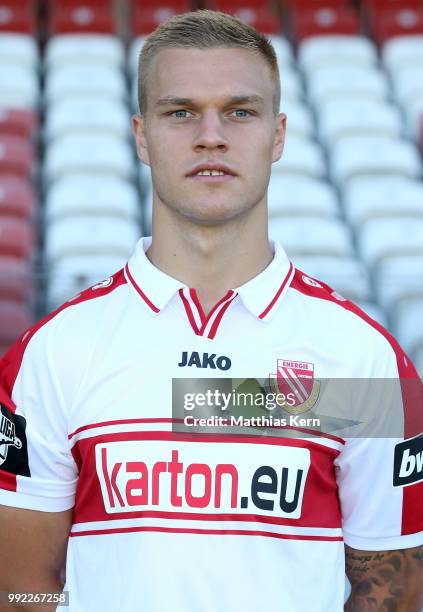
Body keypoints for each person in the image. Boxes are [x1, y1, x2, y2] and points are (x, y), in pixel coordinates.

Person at [0, 9, 422, 612]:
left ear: (278, 135)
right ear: (141, 135)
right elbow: (18, 591)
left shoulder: (365, 359)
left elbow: (397, 592)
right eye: (180, 112)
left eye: (240, 111)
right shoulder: (51, 353)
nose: (211, 136)